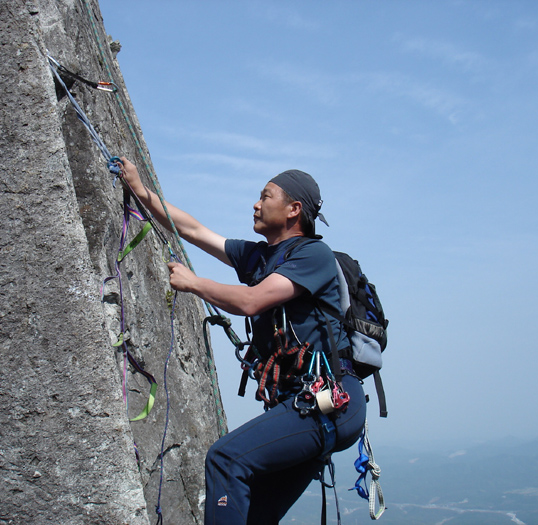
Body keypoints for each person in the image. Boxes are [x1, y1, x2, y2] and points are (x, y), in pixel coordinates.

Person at [118, 157, 366, 525]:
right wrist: (141, 191)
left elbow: (252, 301)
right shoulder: (261, 257)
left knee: (225, 459)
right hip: (307, 403)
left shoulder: (314, 255)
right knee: (253, 516)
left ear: (294, 209)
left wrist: (193, 283)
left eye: (266, 196)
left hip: (332, 402)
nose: (256, 203)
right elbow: (194, 230)